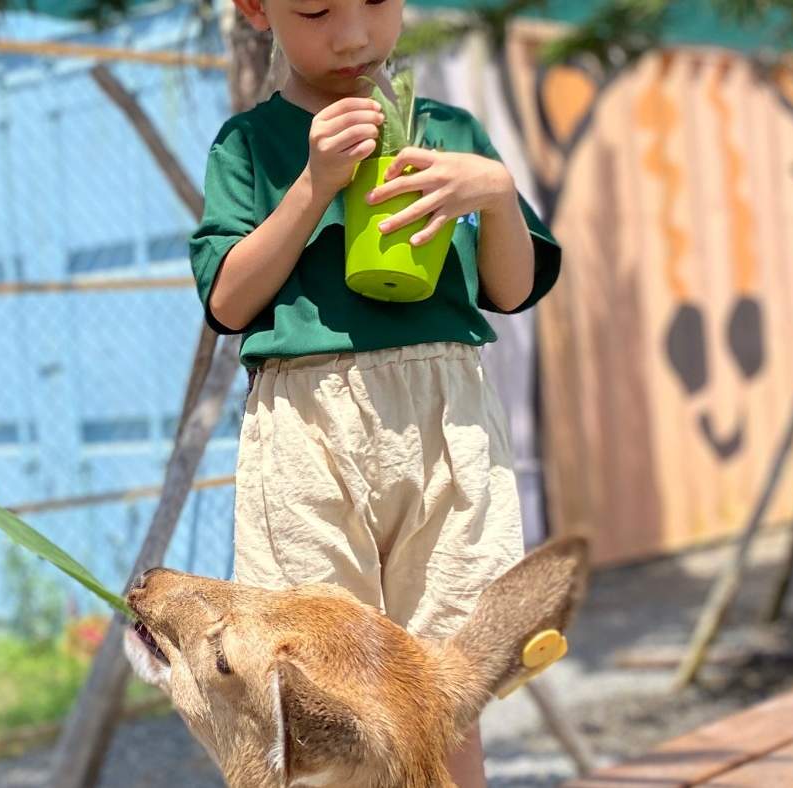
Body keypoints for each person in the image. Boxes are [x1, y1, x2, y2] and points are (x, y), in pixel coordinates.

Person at [190, 0, 562, 783]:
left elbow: (511, 287)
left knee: (447, 681)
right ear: (256, 10)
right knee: (316, 685)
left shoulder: (449, 132)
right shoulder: (249, 144)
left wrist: (495, 194)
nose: (353, 35)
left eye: (375, 2)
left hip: (445, 418)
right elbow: (228, 302)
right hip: (308, 422)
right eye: (315, 10)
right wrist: (314, 183)